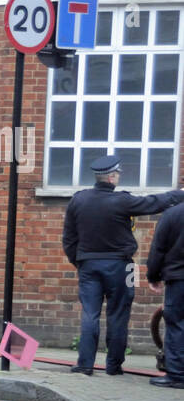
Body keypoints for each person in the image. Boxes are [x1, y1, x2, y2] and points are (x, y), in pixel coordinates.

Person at [61, 155, 184, 375]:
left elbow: (69, 239)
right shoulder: (123, 201)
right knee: (120, 314)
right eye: (117, 175)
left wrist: (79, 261)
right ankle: (114, 366)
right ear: (111, 177)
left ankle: (85, 365)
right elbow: (154, 202)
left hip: (88, 265)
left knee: (90, 313)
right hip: (124, 266)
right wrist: (179, 194)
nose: (117, 178)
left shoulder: (78, 200)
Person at [147, 201, 184, 389]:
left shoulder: (173, 214)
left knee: (176, 324)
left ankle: (177, 375)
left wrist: (153, 276)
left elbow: (158, 248)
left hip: (179, 278)